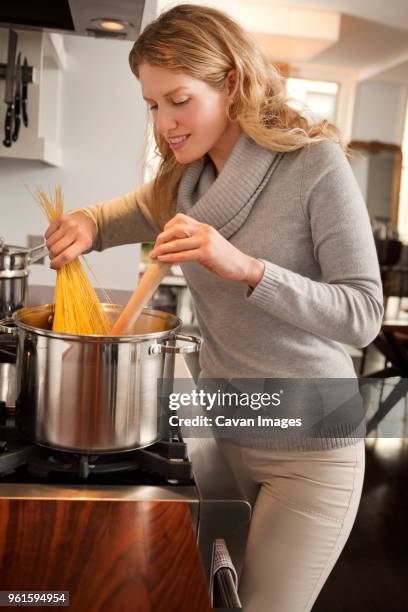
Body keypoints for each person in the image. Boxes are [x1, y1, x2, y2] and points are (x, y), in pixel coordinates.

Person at [44, 5, 383, 611]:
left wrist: (247, 268)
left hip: (312, 441)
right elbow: (101, 218)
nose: (166, 122)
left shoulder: (314, 166)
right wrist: (80, 224)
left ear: (231, 82)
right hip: (226, 430)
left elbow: (362, 315)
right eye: (152, 105)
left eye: (178, 100)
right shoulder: (183, 181)